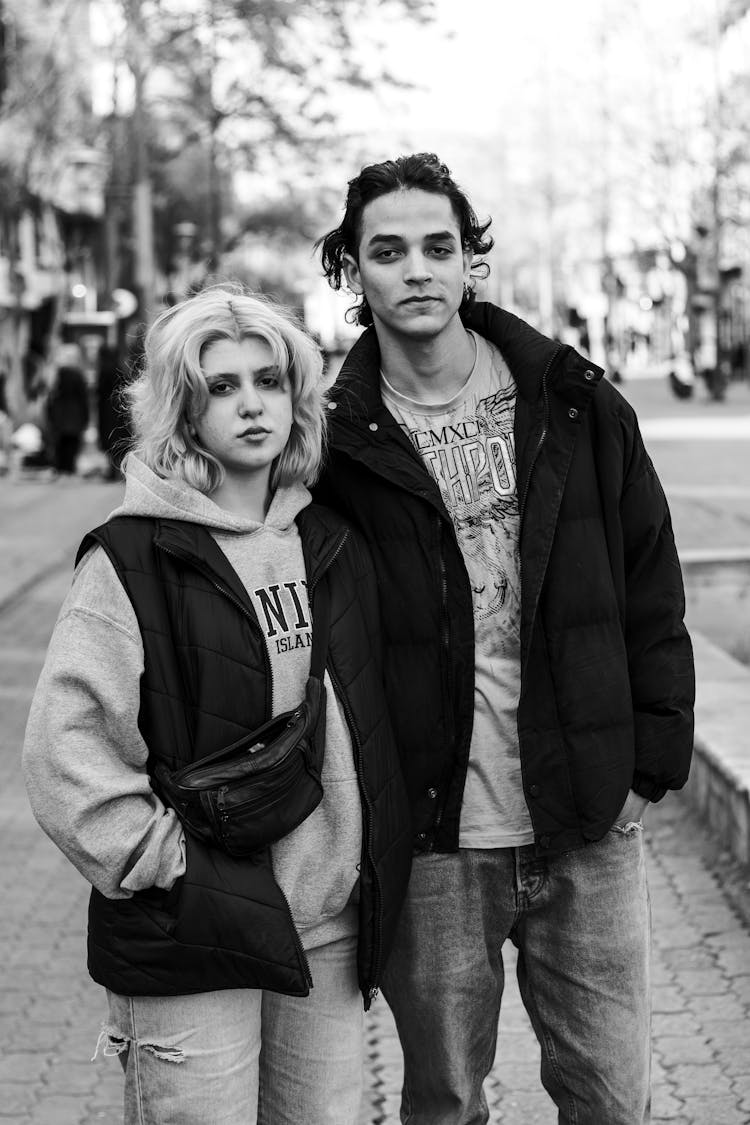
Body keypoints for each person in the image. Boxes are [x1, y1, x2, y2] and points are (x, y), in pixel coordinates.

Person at [314, 153, 695, 1124]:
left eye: (440, 247)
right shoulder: (332, 445)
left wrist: (648, 761)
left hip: (586, 820)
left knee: (612, 1098)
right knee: (444, 1102)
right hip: (437, 835)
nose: (418, 271)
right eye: (388, 251)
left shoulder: (575, 403)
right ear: (355, 272)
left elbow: (648, 581)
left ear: (471, 262)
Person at [23, 286, 412, 1125]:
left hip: (328, 927)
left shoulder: (331, 544)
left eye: (268, 381)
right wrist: (167, 868)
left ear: (297, 396)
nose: (250, 404)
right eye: (221, 386)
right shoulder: (132, 558)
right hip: (195, 928)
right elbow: (67, 753)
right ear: (183, 412)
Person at [45, 355, 90, 474]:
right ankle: (70, 468)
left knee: (61, 443)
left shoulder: (56, 376)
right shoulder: (78, 376)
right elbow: (84, 398)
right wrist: (86, 417)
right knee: (72, 443)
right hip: (75, 414)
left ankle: (61, 467)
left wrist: (50, 415)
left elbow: (50, 398)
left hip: (59, 414)